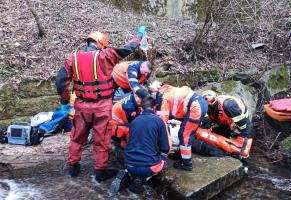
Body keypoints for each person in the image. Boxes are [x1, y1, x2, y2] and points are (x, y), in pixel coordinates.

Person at [55, 26, 146, 183]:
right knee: (102, 139)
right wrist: (139, 36)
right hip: (102, 107)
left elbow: (61, 82)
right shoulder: (106, 55)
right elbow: (127, 48)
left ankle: (73, 166)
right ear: (101, 44)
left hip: (82, 106)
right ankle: (100, 171)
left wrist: (64, 102)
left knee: (77, 137)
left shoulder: (72, 58)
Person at [149, 80, 208, 171]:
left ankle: (186, 163)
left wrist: (163, 141)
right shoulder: (168, 89)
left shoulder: (161, 97)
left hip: (195, 108)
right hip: (200, 104)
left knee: (184, 135)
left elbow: (162, 122)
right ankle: (181, 155)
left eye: (151, 95)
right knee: (185, 133)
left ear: (154, 91)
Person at [124, 96, 170, 194]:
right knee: (164, 160)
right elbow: (165, 148)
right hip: (149, 168)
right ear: (154, 108)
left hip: (129, 165)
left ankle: (135, 178)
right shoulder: (159, 121)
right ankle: (143, 179)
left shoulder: (134, 122)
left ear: (141, 108)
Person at [199, 90, 253, 166]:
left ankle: (246, 165)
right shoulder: (211, 107)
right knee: (221, 141)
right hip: (225, 121)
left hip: (240, 124)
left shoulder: (229, 106)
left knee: (241, 150)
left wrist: (243, 146)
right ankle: (228, 147)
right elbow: (208, 120)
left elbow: (247, 128)